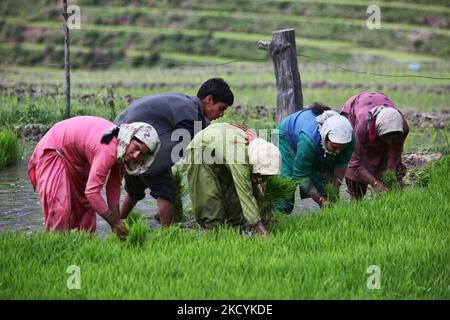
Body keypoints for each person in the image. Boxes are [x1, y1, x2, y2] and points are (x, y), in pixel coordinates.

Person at [114, 78, 234, 226]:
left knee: (134, 191)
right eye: (221, 108)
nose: (221, 114)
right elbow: (194, 148)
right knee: (167, 193)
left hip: (125, 140)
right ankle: (167, 234)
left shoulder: (185, 103)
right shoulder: (191, 112)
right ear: (209, 100)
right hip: (137, 143)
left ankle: (117, 222)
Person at [28, 116, 160, 239]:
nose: (136, 155)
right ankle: (55, 247)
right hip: (55, 150)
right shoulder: (109, 148)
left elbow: (113, 189)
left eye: (141, 153)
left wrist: (117, 220)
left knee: (85, 210)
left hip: (76, 159)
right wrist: (113, 222)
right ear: (129, 137)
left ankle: (84, 246)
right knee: (60, 209)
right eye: (136, 147)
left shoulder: (121, 151)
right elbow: (92, 192)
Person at [180, 123, 281, 237]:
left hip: (220, 153)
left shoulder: (260, 150)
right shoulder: (240, 159)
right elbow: (245, 193)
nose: (263, 178)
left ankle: (234, 234)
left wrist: (259, 197)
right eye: (262, 174)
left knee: (233, 199)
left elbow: (248, 185)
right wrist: (262, 232)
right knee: (210, 202)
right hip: (200, 152)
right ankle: (211, 238)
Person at [275, 103, 355, 212]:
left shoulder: (348, 138)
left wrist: (334, 191)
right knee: (284, 199)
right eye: (335, 146)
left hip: (309, 142)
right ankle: (271, 222)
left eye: (342, 148)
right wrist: (321, 200)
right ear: (325, 137)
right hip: (283, 137)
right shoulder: (309, 140)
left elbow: (341, 165)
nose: (338, 152)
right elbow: (301, 175)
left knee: (328, 191)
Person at [341, 92, 409, 200]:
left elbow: (395, 153)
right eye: (387, 138)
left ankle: (386, 201)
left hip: (383, 119)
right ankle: (356, 202)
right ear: (377, 132)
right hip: (357, 110)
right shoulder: (362, 128)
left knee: (390, 171)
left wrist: (389, 177)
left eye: (393, 138)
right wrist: (375, 183)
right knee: (356, 170)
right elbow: (354, 162)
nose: (390, 142)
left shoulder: (401, 127)